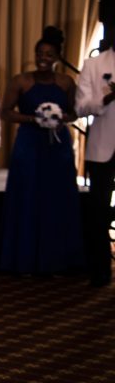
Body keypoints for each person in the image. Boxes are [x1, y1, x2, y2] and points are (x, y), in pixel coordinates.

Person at [0, 27, 83, 275]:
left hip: (57, 145)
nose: (43, 57)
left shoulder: (67, 81)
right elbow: (5, 112)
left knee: (57, 197)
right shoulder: (21, 80)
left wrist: (59, 117)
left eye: (49, 53)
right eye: (39, 53)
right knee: (28, 195)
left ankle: (57, 259)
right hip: (29, 143)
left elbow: (75, 112)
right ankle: (23, 258)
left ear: (57, 57)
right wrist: (32, 119)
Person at [76, 36, 115, 288]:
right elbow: (80, 108)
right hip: (103, 148)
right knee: (98, 211)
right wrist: (105, 99)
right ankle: (101, 270)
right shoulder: (94, 64)